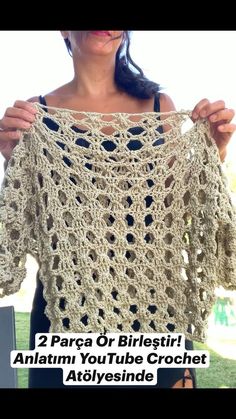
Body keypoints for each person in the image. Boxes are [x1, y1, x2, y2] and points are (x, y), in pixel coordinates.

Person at [0, 30, 235, 389]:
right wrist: (11, 159)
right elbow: (27, 225)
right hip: (67, 315)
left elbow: (173, 210)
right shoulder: (35, 114)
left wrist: (212, 154)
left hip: (155, 313)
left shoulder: (160, 107)